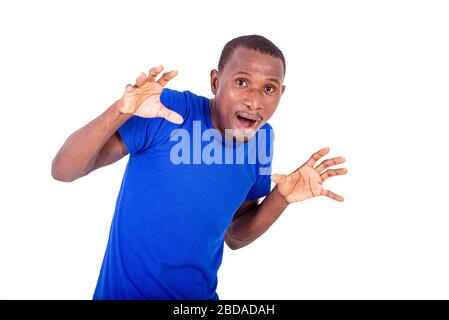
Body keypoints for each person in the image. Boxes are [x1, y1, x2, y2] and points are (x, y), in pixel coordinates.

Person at [51, 35, 347, 300]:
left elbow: (236, 236)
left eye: (268, 88)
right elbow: (64, 170)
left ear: (281, 93)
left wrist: (280, 198)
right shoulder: (167, 111)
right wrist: (120, 110)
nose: (254, 101)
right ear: (216, 82)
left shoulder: (262, 139)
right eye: (241, 82)